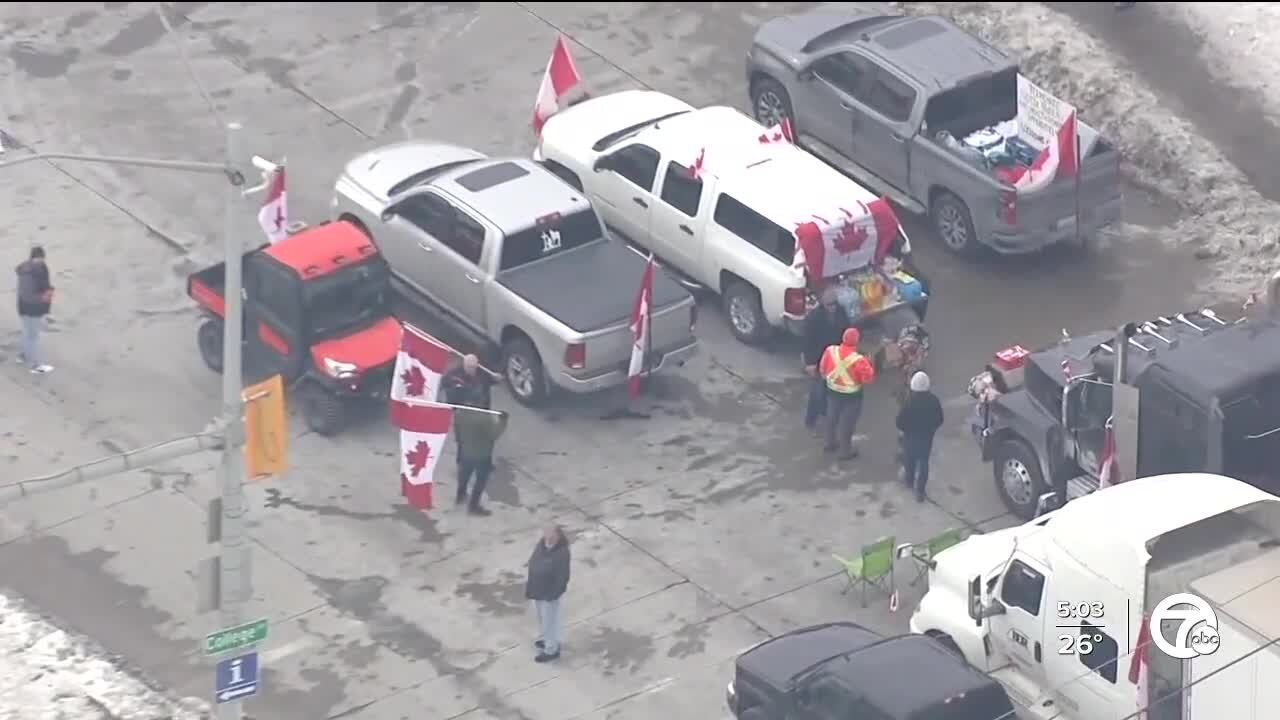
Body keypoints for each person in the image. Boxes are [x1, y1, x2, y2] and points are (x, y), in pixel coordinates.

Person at [819, 328, 876, 459]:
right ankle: (845, 451)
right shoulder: (859, 360)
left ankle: (829, 443)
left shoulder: (830, 350)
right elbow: (868, 379)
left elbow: (822, 369)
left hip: (832, 392)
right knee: (847, 424)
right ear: (857, 342)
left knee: (831, 418)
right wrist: (870, 363)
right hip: (852, 397)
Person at [802, 287, 848, 431]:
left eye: (834, 304)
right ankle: (811, 420)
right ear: (823, 304)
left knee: (831, 389)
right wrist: (810, 363)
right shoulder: (813, 318)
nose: (833, 307)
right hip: (818, 358)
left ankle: (825, 414)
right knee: (817, 392)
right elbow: (807, 342)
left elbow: (846, 331)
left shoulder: (841, 313)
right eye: (829, 305)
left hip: (835, 357)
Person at [525, 524, 571, 663]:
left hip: (549, 593)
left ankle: (551, 650)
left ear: (558, 536)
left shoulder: (562, 553)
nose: (548, 539)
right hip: (538, 589)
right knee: (542, 618)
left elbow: (563, 576)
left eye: (551, 537)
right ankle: (547, 640)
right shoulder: (542, 543)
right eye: (546, 535)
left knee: (549, 621)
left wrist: (555, 593)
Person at [896, 372, 944, 503]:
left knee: (909, 460)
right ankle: (920, 492)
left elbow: (899, 422)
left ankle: (909, 481)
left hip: (910, 437)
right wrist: (931, 429)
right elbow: (940, 419)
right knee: (923, 462)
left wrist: (906, 430)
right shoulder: (934, 400)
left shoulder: (909, 402)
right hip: (926, 437)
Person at [452, 407, 508, 516]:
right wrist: (503, 422)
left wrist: (460, 442)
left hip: (466, 451)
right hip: (481, 454)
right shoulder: (485, 418)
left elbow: (457, 431)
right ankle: (473, 506)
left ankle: (460, 495)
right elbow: (493, 435)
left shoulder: (460, 413)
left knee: (464, 474)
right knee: (480, 481)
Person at [15, 246, 54, 374]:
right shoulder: (36, 271)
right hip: (32, 308)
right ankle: (35, 365)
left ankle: (23, 355)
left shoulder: (26, 268)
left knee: (26, 332)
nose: (41, 261)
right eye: (40, 258)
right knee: (32, 336)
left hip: (24, 306)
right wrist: (44, 299)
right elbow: (31, 295)